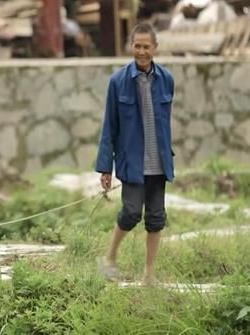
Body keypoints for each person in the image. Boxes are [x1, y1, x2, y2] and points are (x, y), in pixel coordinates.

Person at [95, 22, 175, 286]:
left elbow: (164, 123)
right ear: (131, 46)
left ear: (155, 48)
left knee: (156, 218)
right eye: (137, 46)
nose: (141, 51)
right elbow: (110, 126)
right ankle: (109, 259)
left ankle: (149, 276)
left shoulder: (167, 80)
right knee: (131, 212)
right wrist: (105, 167)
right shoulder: (118, 82)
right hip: (132, 162)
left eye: (146, 47)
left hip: (159, 163)